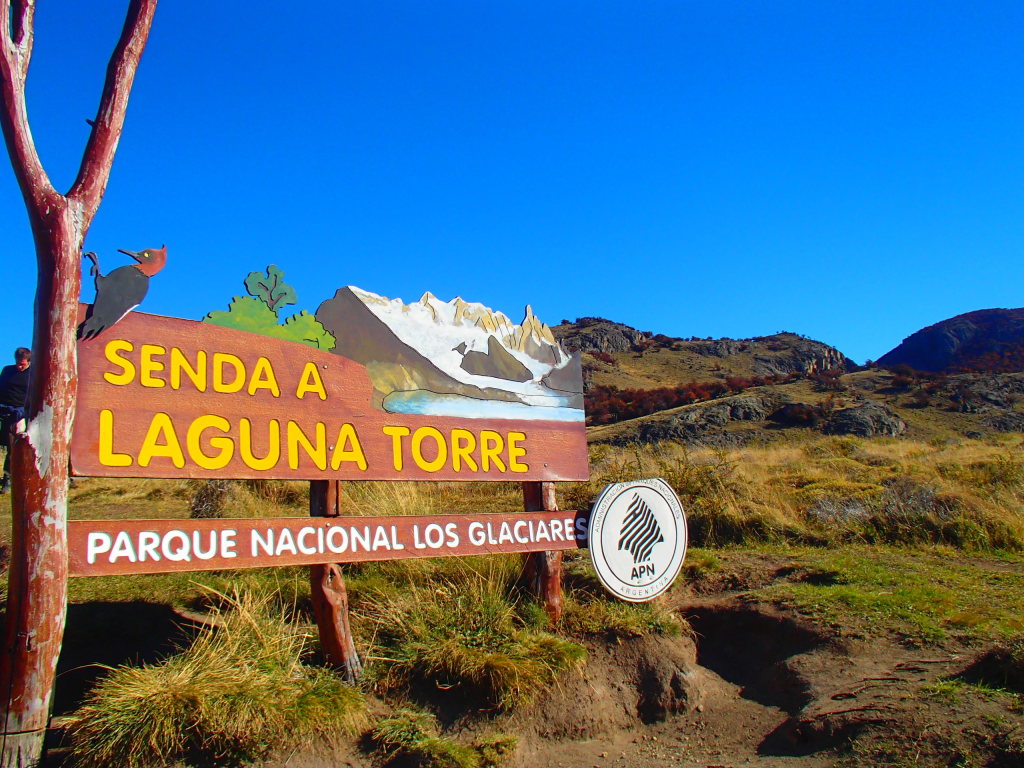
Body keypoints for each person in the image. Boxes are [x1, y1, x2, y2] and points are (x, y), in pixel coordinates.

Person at [0, 347, 31, 493]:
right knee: (8, 445)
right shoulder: (7, 371)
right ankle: (8, 477)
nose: (19, 366)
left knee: (18, 445)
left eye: (22, 364)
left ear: (29, 362)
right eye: (18, 363)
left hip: (22, 414)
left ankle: (14, 478)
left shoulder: (33, 374)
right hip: (6, 411)